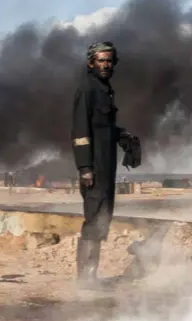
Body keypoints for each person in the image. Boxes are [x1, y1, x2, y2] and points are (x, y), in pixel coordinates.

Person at [71, 41, 139, 286]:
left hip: (106, 165)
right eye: (101, 60)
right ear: (91, 62)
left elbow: (104, 127)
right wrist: (85, 168)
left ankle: (91, 278)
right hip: (94, 168)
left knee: (103, 217)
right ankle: (86, 281)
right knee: (94, 218)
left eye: (110, 60)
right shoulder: (88, 90)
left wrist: (123, 137)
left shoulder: (104, 89)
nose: (106, 65)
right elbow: (80, 130)